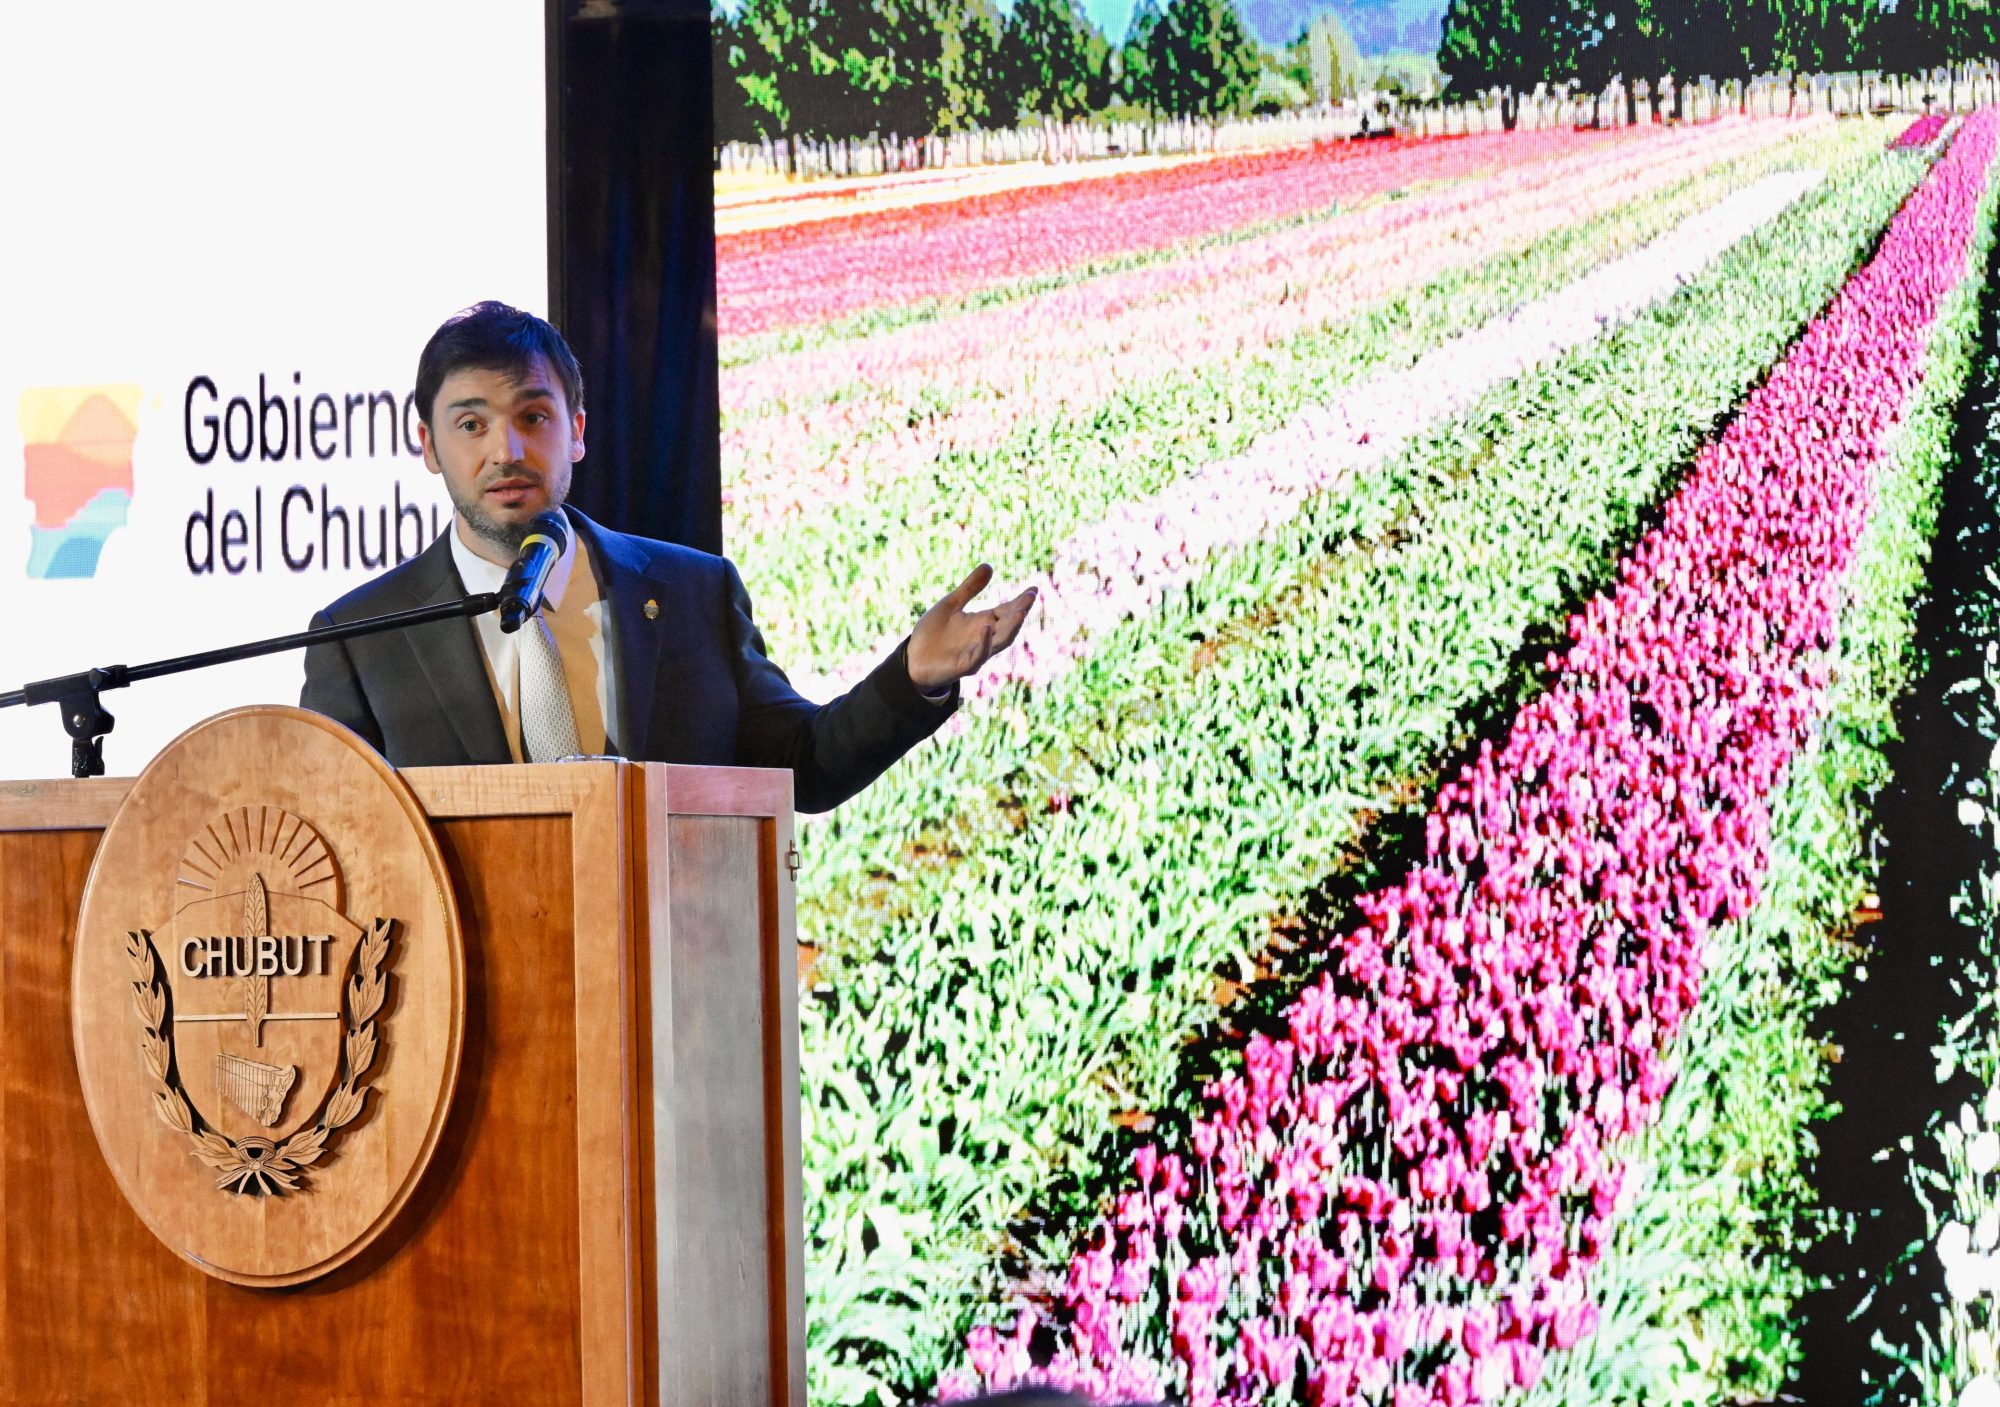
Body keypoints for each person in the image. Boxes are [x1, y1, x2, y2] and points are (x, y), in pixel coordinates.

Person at [300, 301, 1034, 811]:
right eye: (471, 423)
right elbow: (345, 844)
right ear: (427, 446)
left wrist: (914, 677)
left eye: (534, 416)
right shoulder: (362, 638)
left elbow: (802, 767)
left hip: (669, 1001)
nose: (507, 450)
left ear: (577, 430)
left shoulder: (691, 593)